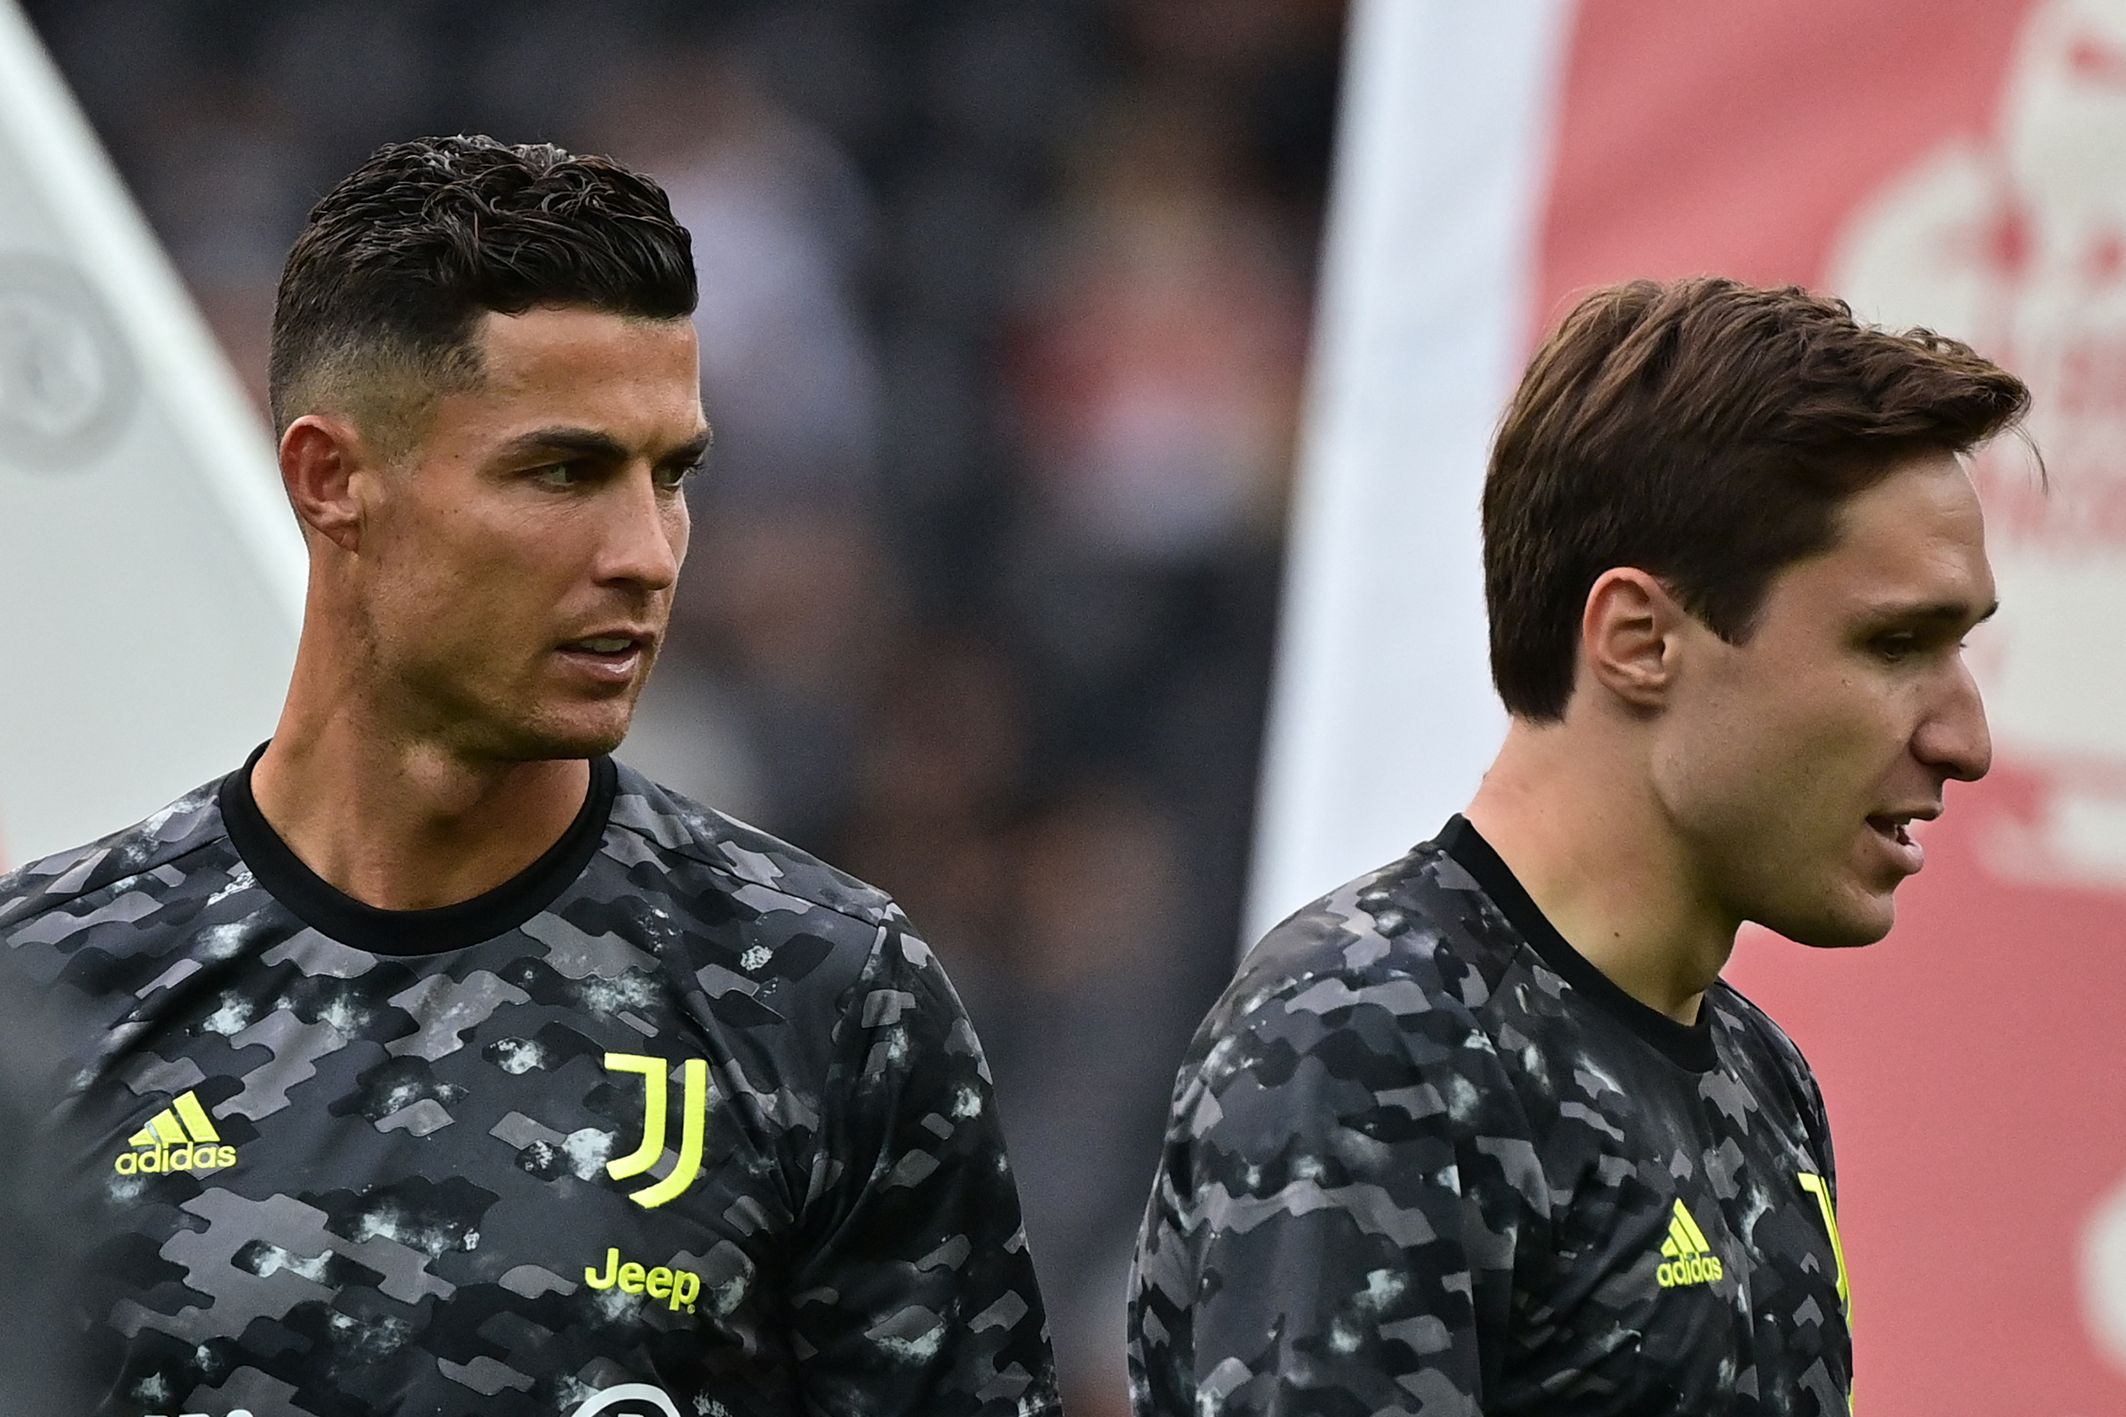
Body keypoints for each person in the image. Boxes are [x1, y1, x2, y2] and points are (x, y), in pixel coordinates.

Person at [0, 135, 1060, 1417]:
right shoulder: (46, 993)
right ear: (331, 480)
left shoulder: (825, 999)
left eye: (671, 475)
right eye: (563, 470)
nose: (645, 554)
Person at [1129, 277, 2029, 1415]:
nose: (1966, 740)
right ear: (1637, 640)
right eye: (1895, 641)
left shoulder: (1761, 1078)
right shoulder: (1367, 1040)